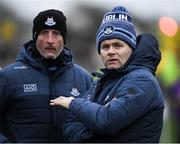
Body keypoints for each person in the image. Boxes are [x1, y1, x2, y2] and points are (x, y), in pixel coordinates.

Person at [50, 6, 165, 142]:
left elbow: (106, 120)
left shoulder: (142, 80)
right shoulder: (101, 80)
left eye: (118, 45)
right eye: (105, 46)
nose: (110, 51)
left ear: (132, 49)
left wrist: (73, 102)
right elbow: (70, 126)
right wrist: (94, 127)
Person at [0, 9, 92, 143]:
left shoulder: (83, 78)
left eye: (56, 33)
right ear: (35, 37)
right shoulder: (9, 77)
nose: (50, 40)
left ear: (64, 39)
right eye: (44, 33)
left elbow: (93, 125)